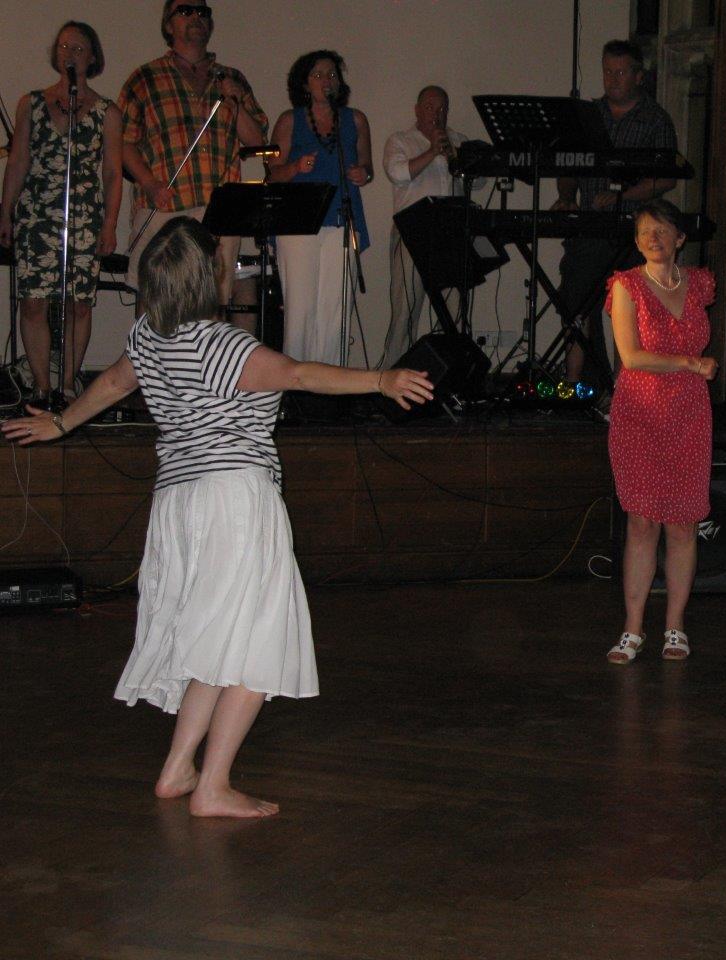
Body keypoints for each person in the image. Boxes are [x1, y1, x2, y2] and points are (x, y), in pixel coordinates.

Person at [1, 216, 432, 817]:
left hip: (180, 503)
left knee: (216, 639)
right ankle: (213, 786)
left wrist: (62, 422)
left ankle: (179, 769)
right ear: (208, 277)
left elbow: (115, 384)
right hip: (233, 500)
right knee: (257, 641)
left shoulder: (149, 336)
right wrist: (381, 380)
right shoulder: (222, 346)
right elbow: (300, 374)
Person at [603, 199, 717, 664]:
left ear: (680, 238)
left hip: (689, 412)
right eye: (645, 231)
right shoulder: (626, 285)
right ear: (636, 241)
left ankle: (675, 626)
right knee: (642, 522)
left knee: (683, 524)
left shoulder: (700, 283)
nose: (653, 238)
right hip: (640, 412)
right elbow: (631, 356)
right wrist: (689, 363)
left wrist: (694, 368)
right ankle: (633, 629)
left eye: (662, 230)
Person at [0, 21, 122, 406]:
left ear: (93, 58)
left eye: (79, 49)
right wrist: (6, 213)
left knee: (78, 302)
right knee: (34, 300)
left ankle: (67, 386)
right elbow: (18, 161)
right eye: (65, 47)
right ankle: (41, 387)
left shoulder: (106, 112)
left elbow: (112, 173)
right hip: (37, 213)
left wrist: (109, 224)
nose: (70, 54)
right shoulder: (31, 104)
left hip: (83, 215)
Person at [118, 0, 268, 311]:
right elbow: (124, 143)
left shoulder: (232, 78)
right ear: (168, 24)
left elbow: (256, 140)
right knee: (154, 302)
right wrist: (150, 183)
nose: (196, 16)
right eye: (185, 11)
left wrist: (235, 102)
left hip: (219, 211)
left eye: (203, 12)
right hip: (163, 204)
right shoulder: (145, 78)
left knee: (211, 305)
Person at [551, 40, 678, 385]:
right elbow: (568, 165)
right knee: (576, 302)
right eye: (608, 71)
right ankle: (577, 383)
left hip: (632, 231)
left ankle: (624, 389)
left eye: (620, 72)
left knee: (628, 310)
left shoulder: (655, 120)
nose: (612, 79)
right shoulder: (589, 115)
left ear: (638, 76)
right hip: (590, 227)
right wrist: (567, 197)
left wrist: (623, 197)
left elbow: (667, 177)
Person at [268, 50, 372, 365]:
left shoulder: (355, 119)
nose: (327, 80)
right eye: (318, 74)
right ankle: (295, 381)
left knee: (335, 309)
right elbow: (273, 174)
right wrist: (296, 167)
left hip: (342, 218)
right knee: (300, 309)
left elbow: (367, 166)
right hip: (299, 220)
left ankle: (330, 381)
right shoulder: (290, 120)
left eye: (332, 74)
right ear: (304, 83)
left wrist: (363, 174)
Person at [381, 85, 482, 362]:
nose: (436, 114)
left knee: (454, 310)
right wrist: (431, 151)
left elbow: (480, 180)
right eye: (429, 107)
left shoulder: (458, 141)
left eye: (442, 109)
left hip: (451, 234)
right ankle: (394, 373)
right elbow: (397, 173)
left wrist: (453, 155)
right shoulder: (400, 140)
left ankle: (448, 372)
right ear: (417, 110)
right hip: (412, 233)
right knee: (405, 310)